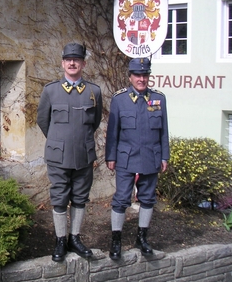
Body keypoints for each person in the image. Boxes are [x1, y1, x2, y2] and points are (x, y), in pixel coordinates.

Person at [36, 43, 103, 261]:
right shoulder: (51, 90)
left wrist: (77, 140)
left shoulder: (94, 91)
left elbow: (95, 121)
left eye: (76, 59)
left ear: (83, 63)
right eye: (68, 60)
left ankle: (74, 238)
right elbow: (43, 121)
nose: (72, 63)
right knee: (59, 197)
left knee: (80, 197)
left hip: (83, 154)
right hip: (58, 155)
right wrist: (59, 140)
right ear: (63, 63)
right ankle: (60, 240)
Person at [105, 57, 169, 260]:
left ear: (148, 76)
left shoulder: (159, 98)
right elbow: (112, 131)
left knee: (148, 198)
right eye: (137, 75)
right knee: (121, 199)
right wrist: (110, 156)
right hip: (126, 156)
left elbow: (164, 130)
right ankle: (116, 240)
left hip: (151, 155)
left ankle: (142, 238)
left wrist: (165, 156)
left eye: (145, 75)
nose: (141, 79)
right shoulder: (119, 99)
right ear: (130, 77)